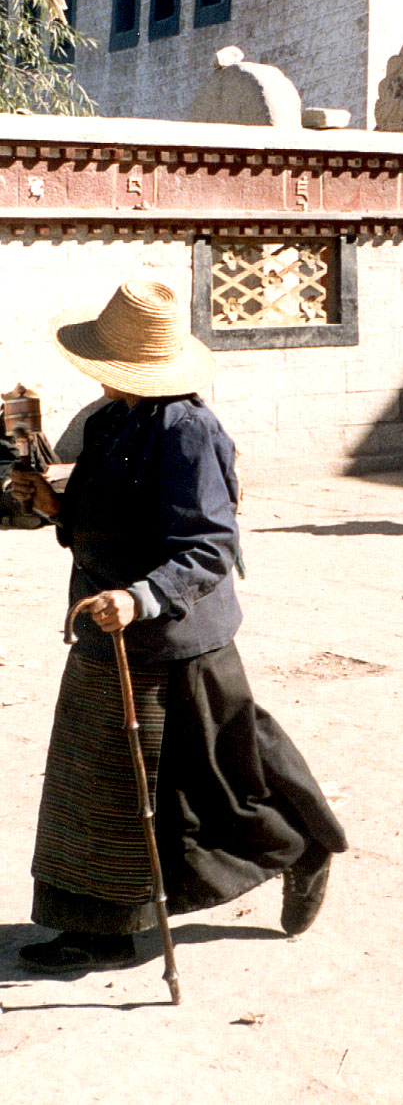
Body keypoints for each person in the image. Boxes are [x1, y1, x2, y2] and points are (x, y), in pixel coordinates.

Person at [10, 280, 347, 975]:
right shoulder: (104, 423)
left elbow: (207, 545)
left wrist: (141, 597)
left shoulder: (189, 432)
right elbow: (99, 516)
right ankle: (98, 929)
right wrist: (48, 503)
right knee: (96, 787)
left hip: (175, 639)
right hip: (104, 634)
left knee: (219, 787)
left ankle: (303, 849)